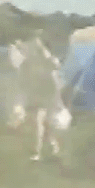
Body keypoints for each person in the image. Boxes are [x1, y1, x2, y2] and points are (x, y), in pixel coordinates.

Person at [20, 29, 64, 161]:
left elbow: (55, 66)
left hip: (49, 93)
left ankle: (44, 148)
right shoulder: (28, 61)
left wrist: (45, 55)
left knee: (44, 123)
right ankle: (40, 150)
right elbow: (23, 77)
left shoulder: (49, 59)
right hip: (36, 93)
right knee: (38, 122)